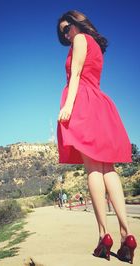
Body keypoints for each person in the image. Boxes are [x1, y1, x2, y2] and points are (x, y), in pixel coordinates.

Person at [57, 10, 137, 263]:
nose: (66, 34)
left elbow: (77, 75)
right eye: (63, 32)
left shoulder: (80, 40)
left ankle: (104, 235)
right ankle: (127, 235)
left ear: (78, 23)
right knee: (108, 169)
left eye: (67, 27)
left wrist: (68, 106)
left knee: (93, 168)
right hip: (100, 105)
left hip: (83, 103)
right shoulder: (96, 46)